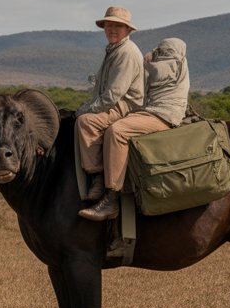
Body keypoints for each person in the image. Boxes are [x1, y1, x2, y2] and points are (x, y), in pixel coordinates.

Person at [80, 37, 189, 221]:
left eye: (162, 51)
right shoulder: (169, 62)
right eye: (159, 51)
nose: (159, 53)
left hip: (164, 116)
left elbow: (158, 71)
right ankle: (98, 175)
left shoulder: (174, 64)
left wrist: (146, 61)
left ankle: (111, 199)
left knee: (118, 132)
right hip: (152, 111)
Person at [75, 6, 145, 205]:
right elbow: (100, 91)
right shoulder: (114, 50)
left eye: (118, 26)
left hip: (127, 106)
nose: (112, 29)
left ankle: (98, 176)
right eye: (109, 25)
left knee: (86, 122)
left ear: (128, 30)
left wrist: (86, 111)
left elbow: (113, 95)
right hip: (116, 103)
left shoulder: (127, 53)